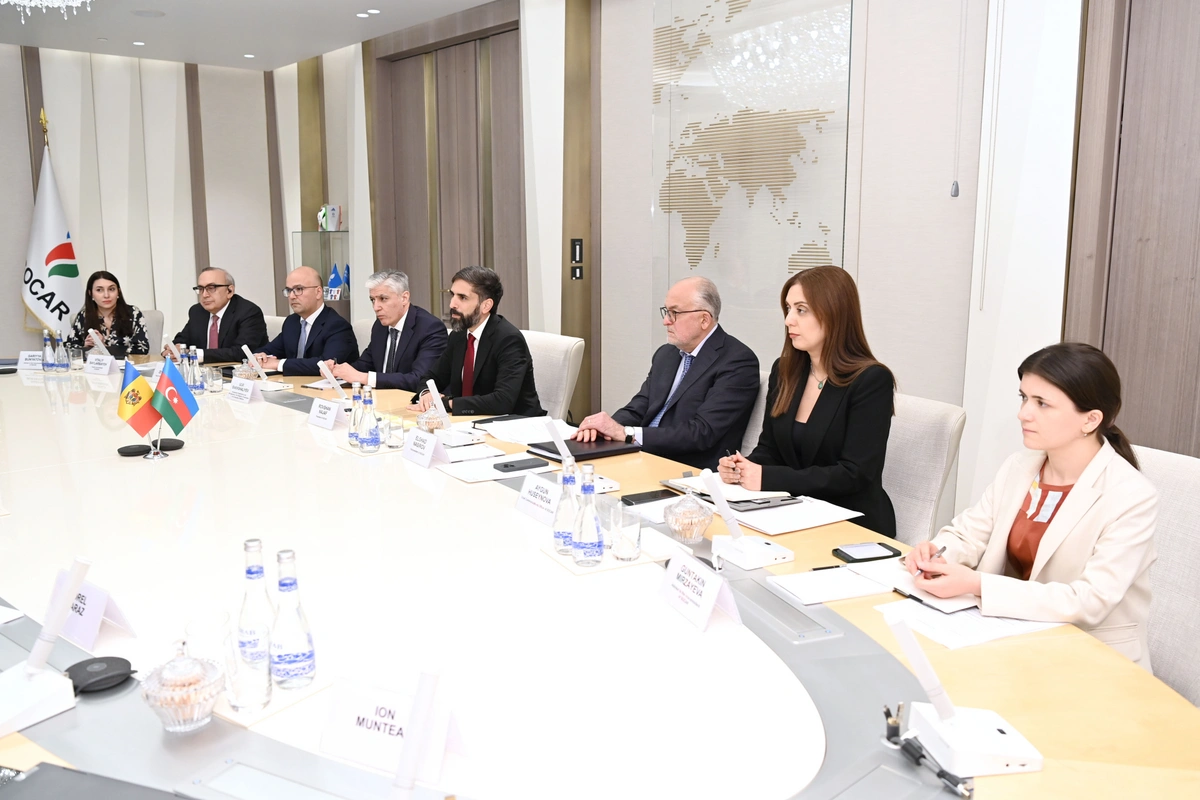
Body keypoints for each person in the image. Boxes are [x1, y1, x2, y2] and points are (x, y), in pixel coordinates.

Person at [906, 343, 1157, 669]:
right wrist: (937, 554)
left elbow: (1089, 601)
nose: (1023, 413)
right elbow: (969, 534)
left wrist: (977, 585)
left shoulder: (1131, 495)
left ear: (1090, 420)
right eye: (1024, 398)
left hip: (1091, 660)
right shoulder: (1020, 467)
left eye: (1042, 403)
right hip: (1013, 639)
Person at [718, 266, 897, 537]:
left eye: (801, 310)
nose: (789, 320)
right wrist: (743, 468)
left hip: (849, 521)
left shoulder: (871, 380)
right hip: (792, 511)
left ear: (834, 313)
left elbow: (855, 474)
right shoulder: (785, 370)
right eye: (788, 309)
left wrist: (766, 477)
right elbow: (770, 449)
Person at [573, 276, 759, 470]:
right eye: (666, 312)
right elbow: (639, 407)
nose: (666, 321)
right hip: (642, 456)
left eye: (674, 313)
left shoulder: (737, 361)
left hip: (686, 469)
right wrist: (604, 428)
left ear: (704, 319)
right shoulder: (667, 354)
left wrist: (626, 434)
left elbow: (701, 433)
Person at [411, 265, 544, 417]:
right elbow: (431, 378)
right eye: (452, 295)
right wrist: (427, 394)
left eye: (462, 297)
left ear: (486, 306)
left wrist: (447, 403)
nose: (452, 304)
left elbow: (503, 401)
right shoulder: (458, 336)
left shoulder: (508, 340)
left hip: (514, 423)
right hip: (469, 422)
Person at [328, 270, 447, 391]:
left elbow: (420, 379)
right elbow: (364, 365)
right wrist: (337, 370)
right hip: (381, 397)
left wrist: (365, 378)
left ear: (404, 298)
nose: (376, 307)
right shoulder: (380, 326)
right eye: (372, 300)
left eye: (383, 299)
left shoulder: (430, 328)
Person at [253, 266, 358, 375]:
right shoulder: (292, 322)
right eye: (289, 290)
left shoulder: (337, 326)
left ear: (318, 292)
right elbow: (268, 350)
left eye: (299, 289)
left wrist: (279, 364)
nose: (292, 296)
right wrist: (259, 357)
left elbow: (327, 365)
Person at [166, 267, 268, 363]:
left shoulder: (248, 312)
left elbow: (241, 352)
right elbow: (183, 339)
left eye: (211, 288)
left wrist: (193, 354)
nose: (205, 295)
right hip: (203, 371)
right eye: (201, 289)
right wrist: (173, 349)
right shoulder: (197, 311)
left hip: (239, 372)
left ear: (230, 291)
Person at [66, 271, 150, 356]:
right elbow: (69, 348)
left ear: (118, 292)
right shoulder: (84, 316)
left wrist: (104, 347)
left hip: (127, 364)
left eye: (111, 289)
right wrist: (85, 348)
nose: (106, 295)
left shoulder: (133, 313)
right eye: (99, 290)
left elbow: (142, 349)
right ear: (90, 293)